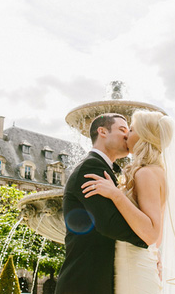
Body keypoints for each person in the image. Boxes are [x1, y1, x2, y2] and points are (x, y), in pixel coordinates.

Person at [82, 110, 175, 294]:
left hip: (133, 267)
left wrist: (116, 194)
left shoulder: (145, 173)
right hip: (136, 262)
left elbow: (152, 233)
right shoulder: (153, 170)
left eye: (132, 129)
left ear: (145, 136)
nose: (127, 134)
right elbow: (157, 238)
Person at [55, 113, 147, 294]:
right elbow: (109, 224)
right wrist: (148, 239)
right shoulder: (91, 167)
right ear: (102, 131)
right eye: (122, 130)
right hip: (84, 283)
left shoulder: (105, 169)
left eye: (128, 131)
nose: (127, 135)